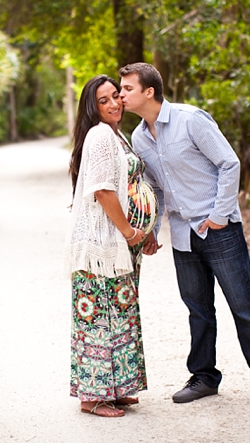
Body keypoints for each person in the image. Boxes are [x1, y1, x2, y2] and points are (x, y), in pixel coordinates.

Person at [118, 62, 250, 408]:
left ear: (149, 91)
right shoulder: (139, 137)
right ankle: (204, 377)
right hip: (182, 233)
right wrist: (150, 228)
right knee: (198, 310)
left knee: (244, 306)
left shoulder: (190, 120)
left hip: (218, 230)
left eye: (127, 88)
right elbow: (154, 189)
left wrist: (220, 215)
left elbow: (229, 163)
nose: (121, 94)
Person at [65, 74, 158, 417]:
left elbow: (131, 186)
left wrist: (144, 230)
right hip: (103, 244)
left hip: (123, 241)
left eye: (116, 96)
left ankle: (116, 390)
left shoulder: (117, 135)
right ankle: (93, 397)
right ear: (93, 107)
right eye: (103, 100)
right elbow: (103, 191)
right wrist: (130, 231)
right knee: (99, 317)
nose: (114, 103)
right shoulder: (101, 135)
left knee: (118, 313)